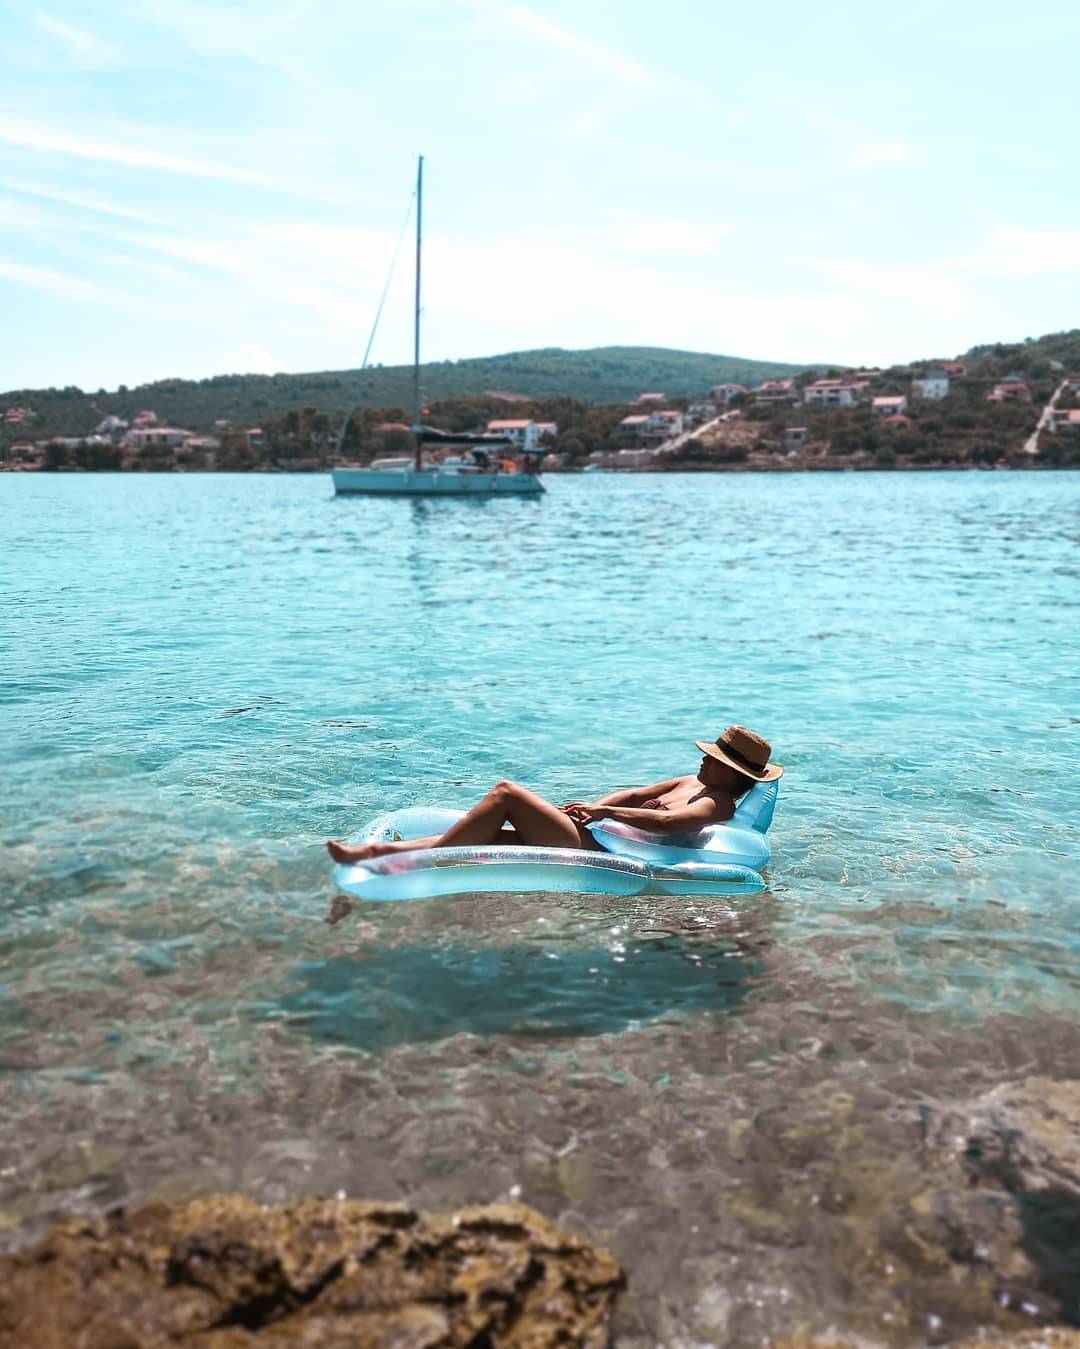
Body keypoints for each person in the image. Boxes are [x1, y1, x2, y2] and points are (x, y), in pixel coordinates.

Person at [326, 725, 782, 865]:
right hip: (596, 832)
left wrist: (603, 813)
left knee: (507, 794)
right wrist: (595, 807)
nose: (703, 759)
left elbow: (669, 823)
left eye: (713, 759)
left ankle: (420, 860)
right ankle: (376, 853)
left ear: (731, 772)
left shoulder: (717, 802)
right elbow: (639, 792)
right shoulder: (691, 781)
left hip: (602, 848)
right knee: (493, 837)